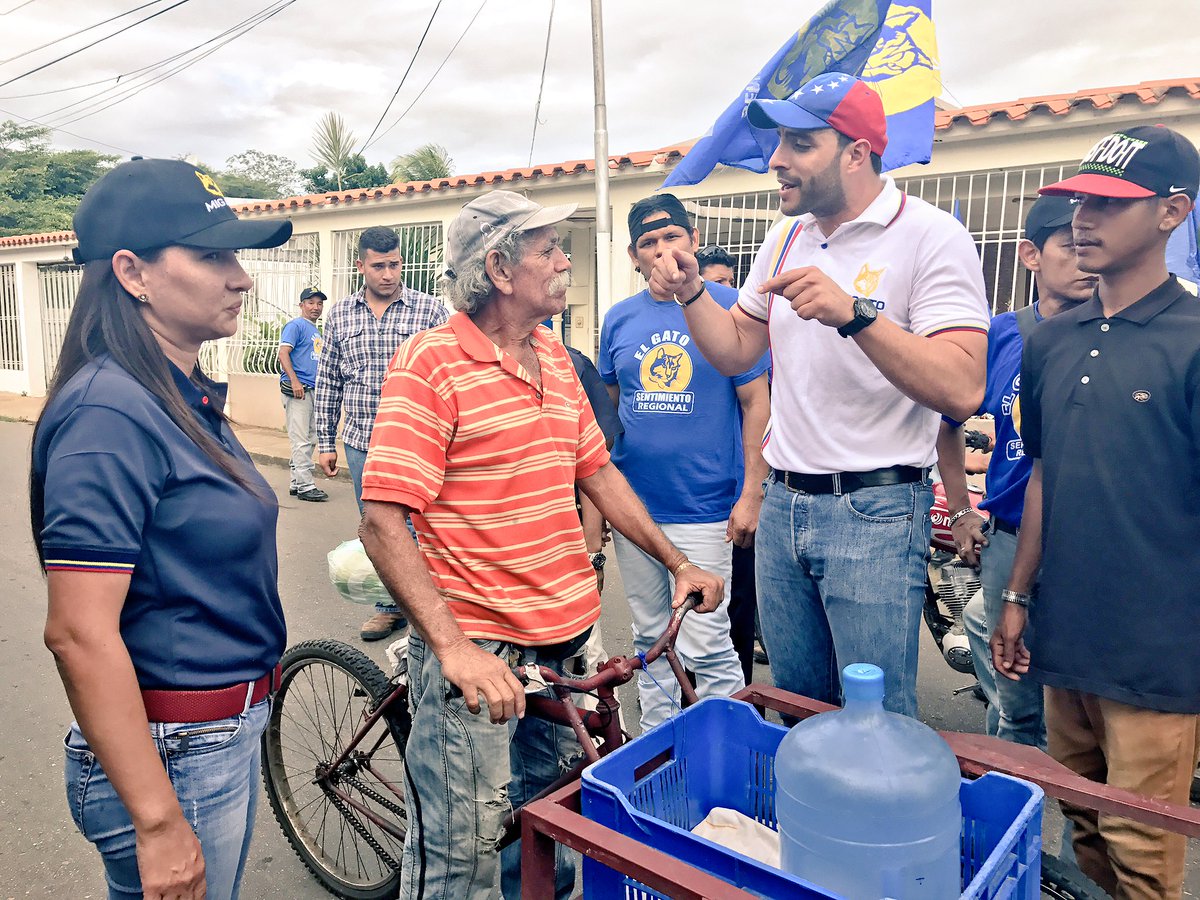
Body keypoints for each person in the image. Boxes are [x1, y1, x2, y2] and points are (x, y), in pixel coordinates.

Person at [356, 190, 724, 900]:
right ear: (498, 268)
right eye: (549, 249)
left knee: (545, 837)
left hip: (560, 647)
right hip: (478, 652)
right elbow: (381, 519)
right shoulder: (430, 363)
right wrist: (455, 650)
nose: (564, 262)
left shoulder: (555, 358)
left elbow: (598, 472)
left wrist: (678, 564)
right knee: (459, 860)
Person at [666, 71, 990, 717]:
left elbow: (961, 387)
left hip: (875, 510)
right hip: (786, 505)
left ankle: (878, 821)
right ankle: (809, 820)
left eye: (799, 143)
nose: (777, 159)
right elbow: (736, 349)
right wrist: (691, 293)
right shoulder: (787, 234)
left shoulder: (930, 235)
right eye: (778, 141)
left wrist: (856, 315)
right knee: (798, 707)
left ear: (856, 153)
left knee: (874, 719)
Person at [30, 158, 291, 900]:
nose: (240, 277)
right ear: (131, 272)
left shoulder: (174, 392)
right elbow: (79, 632)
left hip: (210, 736)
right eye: (211, 255)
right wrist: (157, 821)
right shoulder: (110, 412)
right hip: (176, 750)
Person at [992, 124, 1200, 900]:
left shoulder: (1193, 339)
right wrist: (1017, 596)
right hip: (1065, 635)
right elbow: (1044, 471)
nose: (1083, 217)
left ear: (1173, 212)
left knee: (1144, 852)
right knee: (1082, 828)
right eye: (1078, 199)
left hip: (1156, 654)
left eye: (1110, 203)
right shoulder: (1051, 340)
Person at [600, 196, 769, 728]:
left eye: (672, 237)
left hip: (706, 510)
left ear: (692, 240)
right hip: (637, 512)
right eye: (648, 243)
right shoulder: (618, 319)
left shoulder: (732, 307)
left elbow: (756, 404)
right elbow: (609, 411)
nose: (662, 250)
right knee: (650, 638)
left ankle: (731, 749)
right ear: (633, 255)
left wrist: (751, 493)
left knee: (708, 643)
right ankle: (659, 744)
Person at [937, 195, 1095, 748]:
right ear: (1030, 254)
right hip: (1007, 537)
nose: (1086, 260)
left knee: (1085, 713)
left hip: (1090, 543)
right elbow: (950, 421)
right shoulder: (1001, 335)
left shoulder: (1112, 334)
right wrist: (961, 512)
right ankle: (1011, 811)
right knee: (1017, 703)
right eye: (1071, 247)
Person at [314, 225, 449, 641]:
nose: (388, 274)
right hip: (362, 441)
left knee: (430, 525)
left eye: (394, 265)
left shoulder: (429, 312)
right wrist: (325, 442)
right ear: (361, 266)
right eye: (378, 266)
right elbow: (329, 379)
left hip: (419, 442)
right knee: (379, 526)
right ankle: (390, 606)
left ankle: (437, 606)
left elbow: (451, 373)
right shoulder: (339, 314)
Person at [697, 243, 762, 681]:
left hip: (741, 492)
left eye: (728, 282)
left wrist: (752, 491)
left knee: (735, 607)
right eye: (715, 283)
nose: (726, 292)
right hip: (698, 502)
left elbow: (761, 406)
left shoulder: (745, 341)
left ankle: (737, 700)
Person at [278, 287, 328, 501]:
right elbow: (283, 353)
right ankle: (306, 486)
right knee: (300, 439)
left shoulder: (315, 330)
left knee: (309, 438)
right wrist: (295, 381)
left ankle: (296, 482)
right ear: (301, 305)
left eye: (319, 303)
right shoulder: (296, 325)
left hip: (312, 389)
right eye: (311, 303)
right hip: (299, 390)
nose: (315, 307)